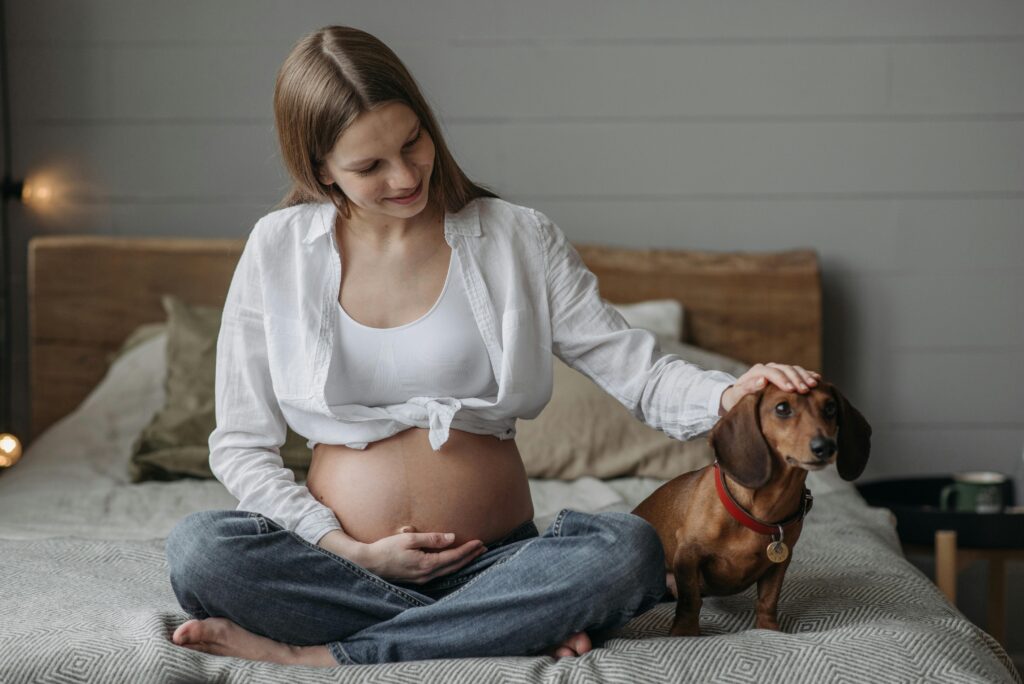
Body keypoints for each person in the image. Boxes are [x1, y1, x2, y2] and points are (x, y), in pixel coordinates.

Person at [164, 25, 821, 668]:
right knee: (200, 549)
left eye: (413, 141)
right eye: (369, 165)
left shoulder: (517, 238)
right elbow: (240, 443)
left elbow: (637, 371)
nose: (404, 174)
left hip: (499, 564)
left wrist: (728, 394)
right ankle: (505, 625)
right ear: (320, 169)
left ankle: (327, 654)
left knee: (628, 550)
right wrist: (351, 550)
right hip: (340, 567)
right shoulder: (278, 249)